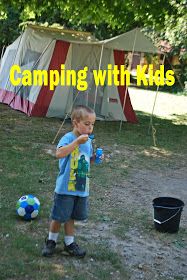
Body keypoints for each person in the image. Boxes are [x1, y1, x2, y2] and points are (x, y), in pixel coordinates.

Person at [42, 105, 96, 258]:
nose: (90, 128)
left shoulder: (88, 141)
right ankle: (51, 241)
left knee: (71, 217)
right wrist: (77, 143)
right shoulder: (69, 138)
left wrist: (95, 159)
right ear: (75, 123)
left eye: (92, 124)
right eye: (87, 124)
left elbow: (86, 160)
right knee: (59, 217)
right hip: (65, 187)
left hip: (80, 187)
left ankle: (69, 243)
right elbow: (59, 153)